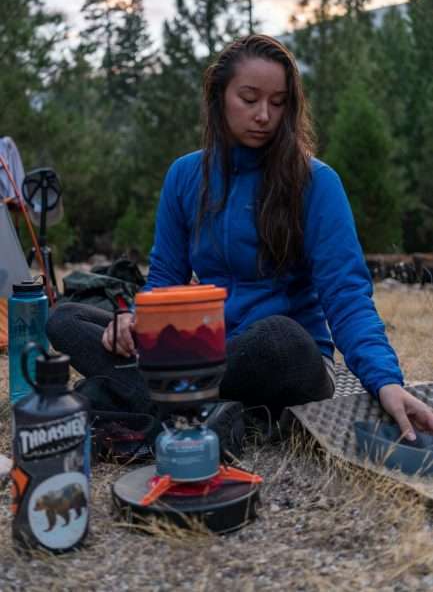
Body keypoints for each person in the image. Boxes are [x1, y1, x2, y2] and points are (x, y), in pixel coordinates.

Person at [47, 34, 433, 438]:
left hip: (283, 360)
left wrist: (386, 381)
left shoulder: (316, 182)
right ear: (219, 96)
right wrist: (136, 321)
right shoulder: (185, 176)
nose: (265, 115)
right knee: (65, 317)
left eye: (278, 102)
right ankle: (201, 405)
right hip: (202, 351)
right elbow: (165, 279)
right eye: (249, 99)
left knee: (279, 338)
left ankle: (139, 396)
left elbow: (347, 294)